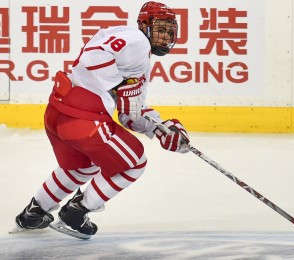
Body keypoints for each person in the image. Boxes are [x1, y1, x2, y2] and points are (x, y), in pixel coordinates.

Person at [13, 1, 189, 238]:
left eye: (170, 30)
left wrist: (159, 129)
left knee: (81, 167)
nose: (166, 36)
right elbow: (92, 58)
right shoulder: (136, 41)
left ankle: (33, 214)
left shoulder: (135, 52)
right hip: (84, 118)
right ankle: (76, 212)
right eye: (161, 28)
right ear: (143, 25)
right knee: (134, 163)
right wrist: (115, 81)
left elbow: (130, 115)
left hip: (58, 113)